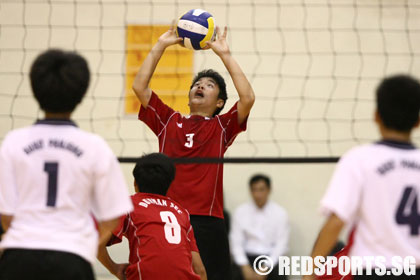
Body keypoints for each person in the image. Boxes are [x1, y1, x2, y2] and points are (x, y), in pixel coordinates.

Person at [132, 23, 255, 280]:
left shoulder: (222, 127)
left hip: (207, 221)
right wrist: (160, 46)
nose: (200, 86)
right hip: (170, 217)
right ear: (188, 96)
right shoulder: (168, 120)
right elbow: (140, 88)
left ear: (220, 102)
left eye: (209, 85)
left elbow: (247, 98)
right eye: (197, 83)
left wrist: (225, 55)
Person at [0, 49, 133, 280]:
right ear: (81, 96)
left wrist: (24, 237)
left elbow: (6, 215)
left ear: (34, 89)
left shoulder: (14, 142)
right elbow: (112, 217)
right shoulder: (95, 147)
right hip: (71, 258)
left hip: (19, 257)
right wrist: (84, 243)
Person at [304, 74, 420, 280]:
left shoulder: (359, 159)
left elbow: (336, 221)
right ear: (418, 122)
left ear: (376, 116)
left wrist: (310, 273)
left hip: (373, 271)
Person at [97, 153, 207, 280]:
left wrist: (114, 269)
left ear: (135, 183)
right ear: (169, 185)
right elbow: (200, 270)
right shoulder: (182, 212)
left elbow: (97, 243)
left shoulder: (128, 204)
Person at [230, 174, 290, 280]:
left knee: (281, 271)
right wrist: (244, 266)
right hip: (247, 257)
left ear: (269, 190)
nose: (258, 194)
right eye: (254, 190)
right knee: (233, 271)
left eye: (261, 189)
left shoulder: (280, 213)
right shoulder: (240, 212)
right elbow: (236, 242)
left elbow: (281, 245)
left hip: (271, 258)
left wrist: (266, 267)